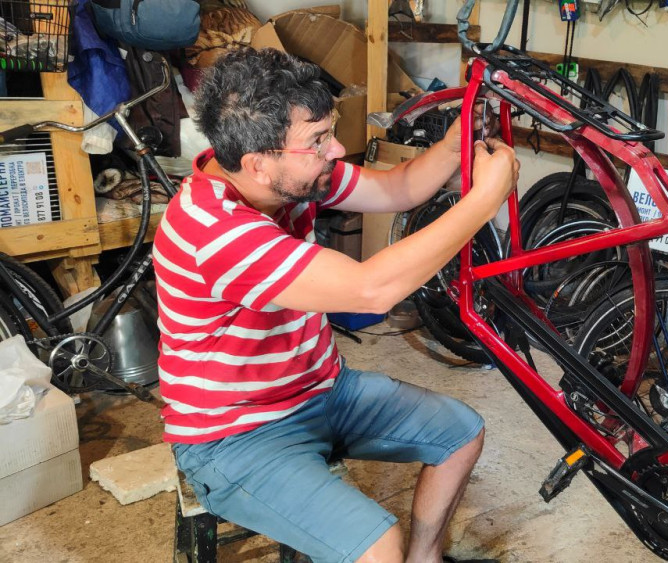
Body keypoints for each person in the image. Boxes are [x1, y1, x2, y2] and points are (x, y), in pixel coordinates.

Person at [153, 47, 519, 563]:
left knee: (461, 433)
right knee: (379, 547)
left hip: (321, 390)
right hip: (236, 434)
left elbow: (397, 188)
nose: (338, 149)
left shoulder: (288, 178)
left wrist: (458, 137)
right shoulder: (212, 229)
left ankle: (425, 558)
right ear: (258, 164)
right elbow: (371, 289)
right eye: (319, 140)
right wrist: (483, 201)